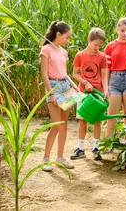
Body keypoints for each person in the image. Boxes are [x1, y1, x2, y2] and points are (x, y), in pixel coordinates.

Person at [40, 21, 78, 172]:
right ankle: (46, 159)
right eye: (67, 37)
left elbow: (64, 72)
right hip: (53, 87)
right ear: (58, 34)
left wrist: (73, 84)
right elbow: (44, 74)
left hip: (65, 86)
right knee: (55, 125)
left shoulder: (63, 52)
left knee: (64, 125)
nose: (68, 40)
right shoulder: (46, 49)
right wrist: (50, 93)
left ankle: (60, 158)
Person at [71, 27, 108, 160]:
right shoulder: (80, 55)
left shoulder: (102, 57)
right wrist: (85, 82)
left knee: (97, 121)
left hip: (98, 93)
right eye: (95, 44)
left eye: (100, 45)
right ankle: (80, 149)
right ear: (89, 40)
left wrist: (106, 89)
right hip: (83, 92)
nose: (97, 47)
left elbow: (104, 75)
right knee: (82, 121)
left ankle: (96, 148)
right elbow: (75, 74)